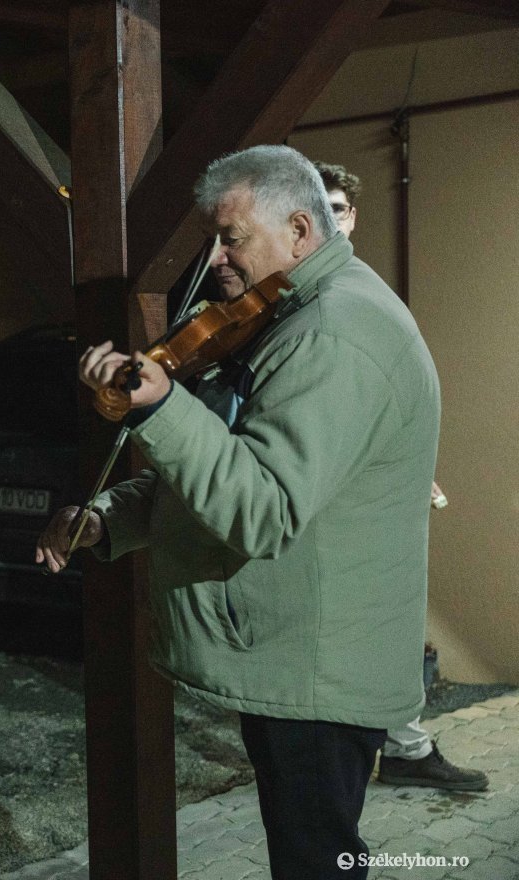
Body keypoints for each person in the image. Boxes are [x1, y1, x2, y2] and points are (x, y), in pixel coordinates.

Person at [37, 145, 439, 880]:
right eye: (213, 237)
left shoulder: (334, 333)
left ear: (298, 229)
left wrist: (163, 405)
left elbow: (260, 507)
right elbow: (225, 464)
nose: (216, 257)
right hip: (296, 659)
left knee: (319, 863)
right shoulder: (294, 313)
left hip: (317, 674)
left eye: (232, 238)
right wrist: (108, 519)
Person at [313, 160, 487, 792]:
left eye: (338, 208)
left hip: (370, 489)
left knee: (395, 618)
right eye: (318, 207)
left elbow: (377, 397)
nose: (329, 219)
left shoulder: (358, 289)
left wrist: (409, 469)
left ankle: (405, 745)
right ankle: (392, 747)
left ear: (352, 217)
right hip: (324, 494)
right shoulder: (311, 296)